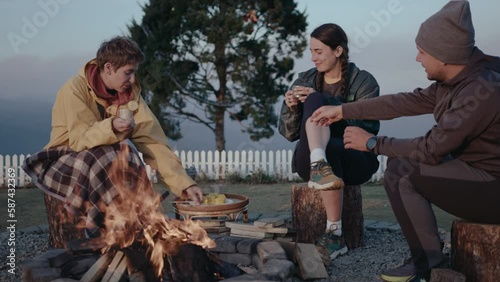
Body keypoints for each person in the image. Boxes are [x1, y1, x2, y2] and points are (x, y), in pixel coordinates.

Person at [311, 1, 500, 281]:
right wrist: (343, 110)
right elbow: (404, 102)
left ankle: (428, 265)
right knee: (403, 165)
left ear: (445, 55)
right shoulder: (458, 79)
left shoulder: (480, 90)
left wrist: (374, 143)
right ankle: (432, 261)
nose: (417, 59)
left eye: (422, 52)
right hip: (478, 171)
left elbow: (432, 148)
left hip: (492, 186)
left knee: (403, 173)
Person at [22, 36, 203, 238]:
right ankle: (102, 227)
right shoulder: (74, 89)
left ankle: (140, 224)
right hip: (64, 159)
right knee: (111, 153)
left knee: (126, 153)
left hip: (101, 161)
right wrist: (112, 127)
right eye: (128, 73)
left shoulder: (130, 96)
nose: (133, 80)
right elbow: (80, 139)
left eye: (134, 72)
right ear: (108, 68)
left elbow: (154, 143)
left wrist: (185, 184)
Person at [278, 23, 380, 260]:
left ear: (338, 51)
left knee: (318, 110)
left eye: (319, 51)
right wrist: (291, 108)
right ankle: (319, 164)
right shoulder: (304, 79)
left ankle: (320, 164)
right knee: (324, 144)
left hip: (356, 160)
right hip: (310, 165)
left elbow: (365, 128)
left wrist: (321, 101)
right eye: (311, 51)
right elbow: (289, 134)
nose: (313, 58)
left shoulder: (364, 81)